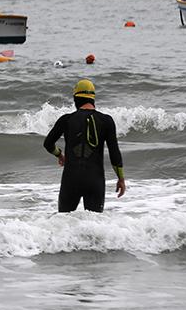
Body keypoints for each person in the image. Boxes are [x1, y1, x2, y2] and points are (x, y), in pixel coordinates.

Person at [42, 79, 125, 213]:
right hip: (95, 180)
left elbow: (48, 144)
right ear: (93, 98)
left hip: (71, 180)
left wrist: (59, 154)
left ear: (76, 99)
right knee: (95, 225)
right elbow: (114, 154)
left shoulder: (66, 120)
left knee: (63, 223)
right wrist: (121, 179)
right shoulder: (106, 121)